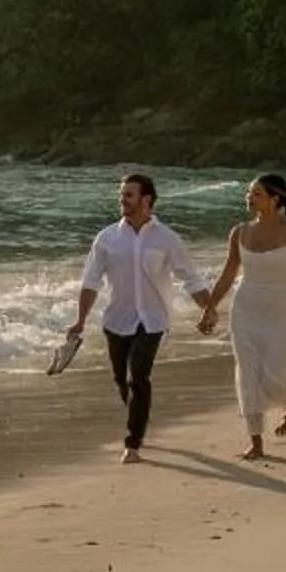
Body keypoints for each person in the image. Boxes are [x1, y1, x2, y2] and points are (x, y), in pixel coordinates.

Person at [64, 173, 210, 463]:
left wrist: (209, 309)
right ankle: (139, 416)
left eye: (129, 195)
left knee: (138, 376)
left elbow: (190, 277)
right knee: (121, 380)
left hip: (153, 321)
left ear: (146, 199)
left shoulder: (167, 238)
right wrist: (80, 320)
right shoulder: (107, 238)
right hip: (116, 320)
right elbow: (91, 281)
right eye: (121, 195)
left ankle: (133, 442)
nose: (123, 200)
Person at [196, 172, 286, 460]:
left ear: (274, 199)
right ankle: (255, 440)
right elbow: (228, 273)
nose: (248, 197)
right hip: (245, 309)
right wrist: (210, 307)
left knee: (274, 372)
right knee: (247, 373)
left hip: (280, 310)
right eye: (249, 192)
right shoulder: (239, 232)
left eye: (256, 193)